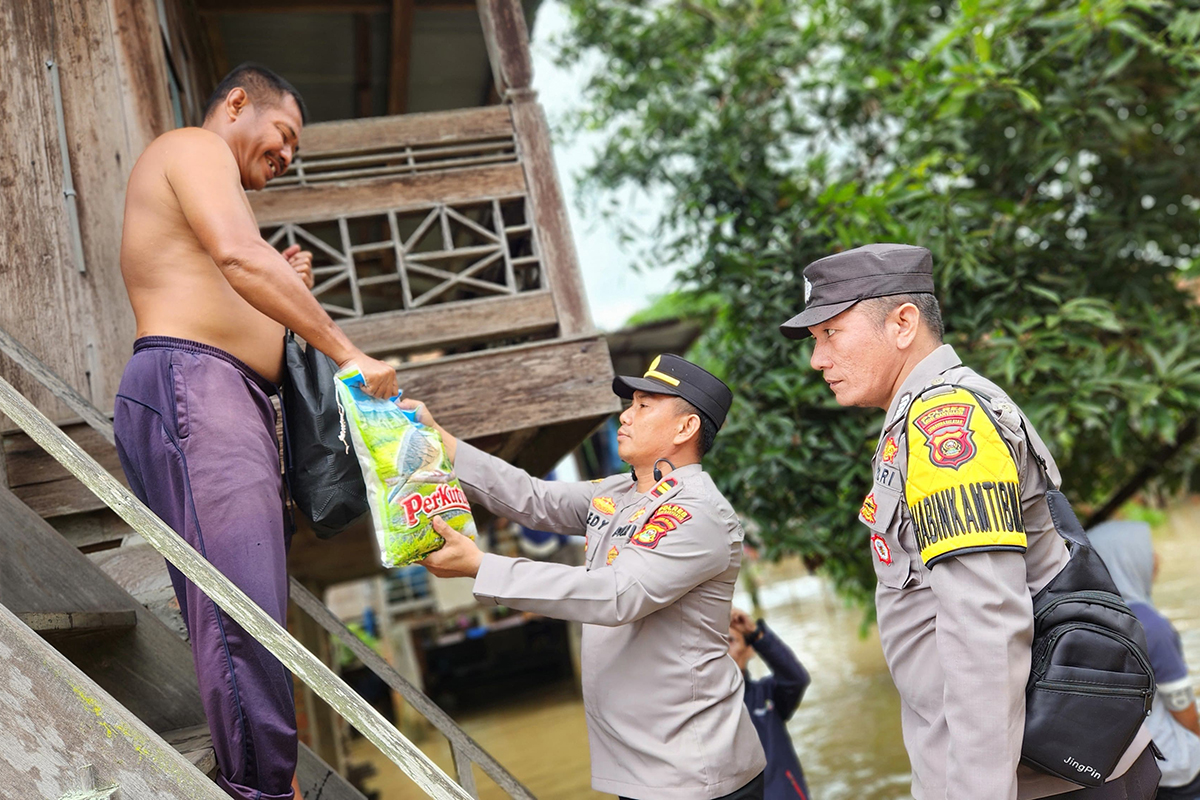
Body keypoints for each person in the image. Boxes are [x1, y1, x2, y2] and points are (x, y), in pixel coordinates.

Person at [778, 243, 1158, 799]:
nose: (817, 359)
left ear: (903, 323)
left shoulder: (944, 421)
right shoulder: (920, 414)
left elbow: (986, 626)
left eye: (831, 333)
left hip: (1042, 779)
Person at [113, 63, 398, 800]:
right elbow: (240, 261)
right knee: (243, 614)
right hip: (194, 387)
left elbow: (235, 274)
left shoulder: (215, 184)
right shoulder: (193, 146)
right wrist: (349, 353)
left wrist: (289, 290)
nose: (289, 155)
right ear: (237, 102)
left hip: (221, 394)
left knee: (251, 606)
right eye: (284, 134)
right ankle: (267, 791)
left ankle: (269, 782)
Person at [402, 354, 767, 800]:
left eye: (644, 406)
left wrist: (482, 567)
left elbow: (615, 595)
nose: (625, 415)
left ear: (684, 428)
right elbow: (531, 497)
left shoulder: (696, 514)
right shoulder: (618, 492)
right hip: (643, 766)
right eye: (630, 403)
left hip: (693, 773)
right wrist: (439, 440)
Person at [1090, 521, 1200, 799]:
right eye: (1148, 551)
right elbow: (1182, 709)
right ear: (1127, 557)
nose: (1156, 559)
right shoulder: (1149, 624)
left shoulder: (1085, 617)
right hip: (1174, 768)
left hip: (1120, 767)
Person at [728, 609, 812, 799]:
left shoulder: (767, 695)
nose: (723, 650)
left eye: (731, 641)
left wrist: (755, 633)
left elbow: (796, 678)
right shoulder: (703, 707)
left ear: (749, 650)